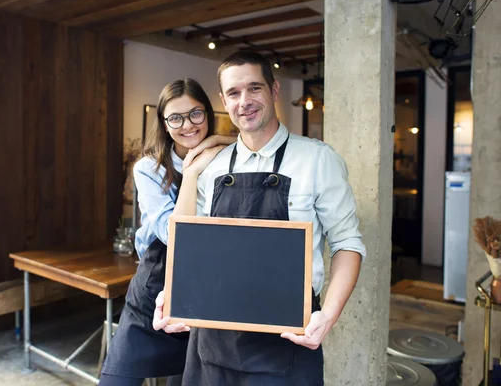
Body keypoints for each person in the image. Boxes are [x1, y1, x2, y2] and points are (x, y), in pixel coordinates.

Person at [153, 51, 367, 385]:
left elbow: (347, 244)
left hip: (286, 340)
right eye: (234, 93)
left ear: (274, 90)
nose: (245, 101)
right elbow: (194, 248)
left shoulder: (317, 160)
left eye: (254, 88)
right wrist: (174, 294)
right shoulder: (213, 166)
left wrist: (329, 315)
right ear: (224, 100)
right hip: (213, 341)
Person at [99, 78, 235, 386]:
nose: (187, 125)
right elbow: (174, 235)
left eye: (195, 114)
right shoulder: (149, 168)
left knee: (188, 377)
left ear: (208, 114)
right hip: (156, 279)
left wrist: (219, 144)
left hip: (204, 284)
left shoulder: (225, 160)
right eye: (175, 117)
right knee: (117, 377)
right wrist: (192, 170)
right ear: (164, 122)